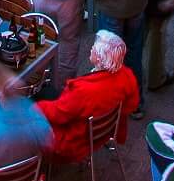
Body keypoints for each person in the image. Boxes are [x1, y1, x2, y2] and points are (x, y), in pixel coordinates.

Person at [37, 29, 140, 159]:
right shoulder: (126, 75)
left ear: (100, 58)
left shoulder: (83, 91)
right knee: (50, 93)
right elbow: (132, 105)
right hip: (102, 133)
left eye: (94, 49)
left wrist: (34, 107)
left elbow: (58, 114)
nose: (91, 48)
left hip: (74, 141)